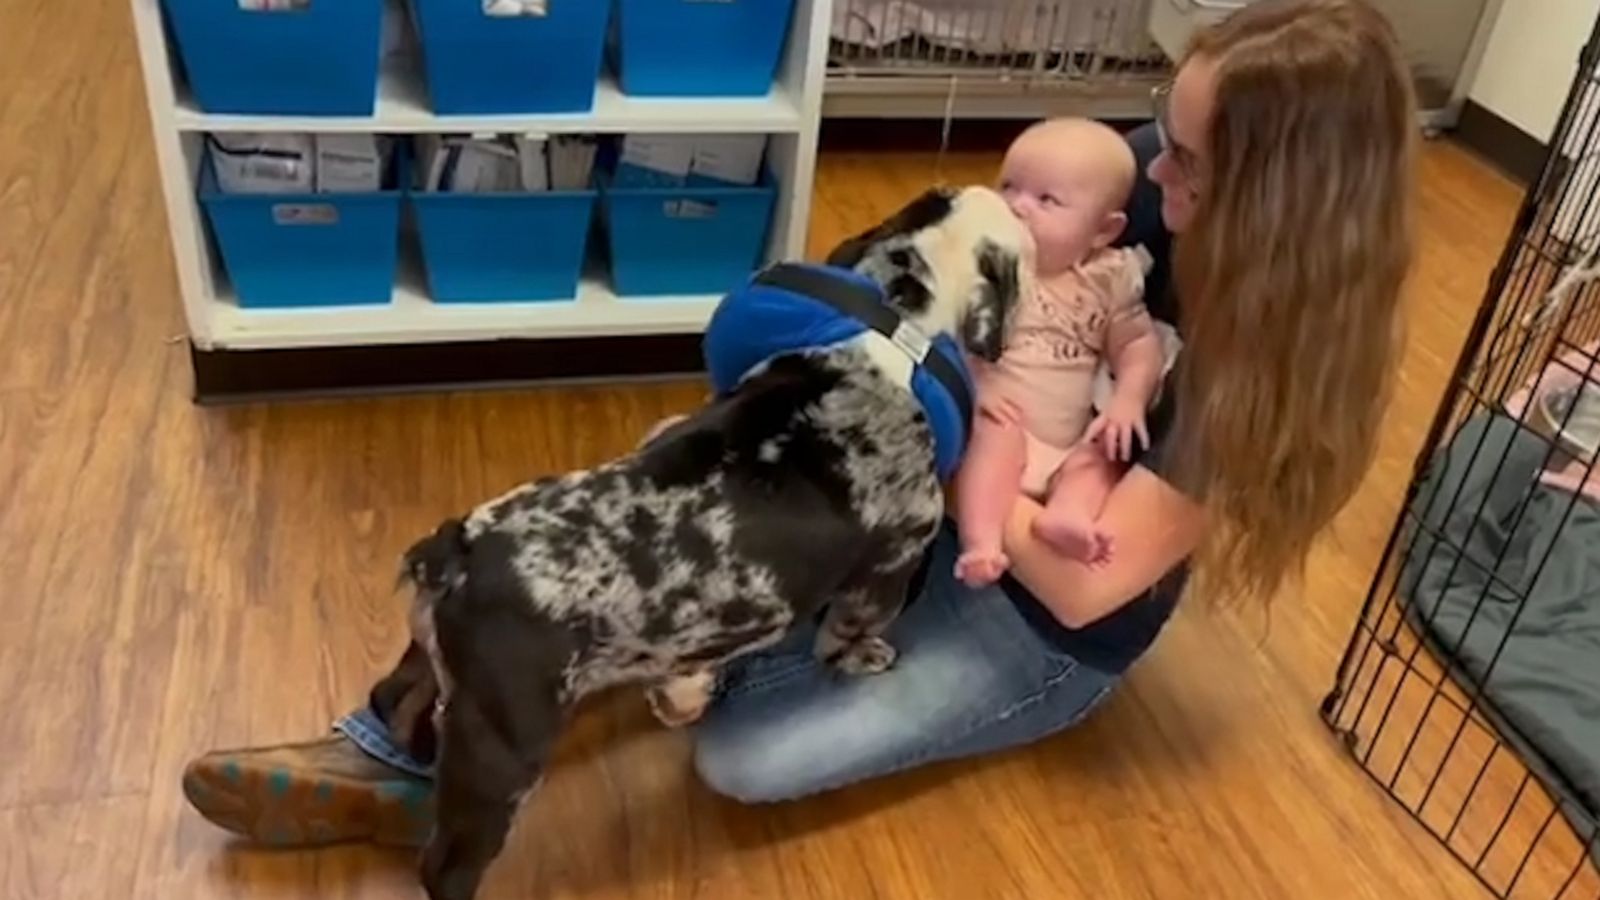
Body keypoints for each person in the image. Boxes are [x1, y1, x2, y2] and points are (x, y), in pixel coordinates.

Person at [181, 0, 1418, 841]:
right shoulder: (1129, 183)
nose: (1151, 173)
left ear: (1274, 202)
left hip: (1038, 612)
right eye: (1163, 133)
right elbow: (953, 247)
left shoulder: (1269, 371)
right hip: (947, 492)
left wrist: (946, 469)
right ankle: (406, 743)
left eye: (1186, 164)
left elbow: (1087, 590)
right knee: (665, 528)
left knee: (740, 752)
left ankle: (618, 673)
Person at [953, 116, 1167, 584]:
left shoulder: (1109, 277)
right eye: (1008, 187)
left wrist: (1128, 402)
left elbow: (1137, 344)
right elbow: (946, 328)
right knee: (994, 437)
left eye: (1046, 199)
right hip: (999, 421)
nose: (1017, 207)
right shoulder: (986, 263)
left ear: (1103, 231)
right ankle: (982, 542)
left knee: (1101, 458)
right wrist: (978, 381)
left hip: (1066, 438)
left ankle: (1068, 514)